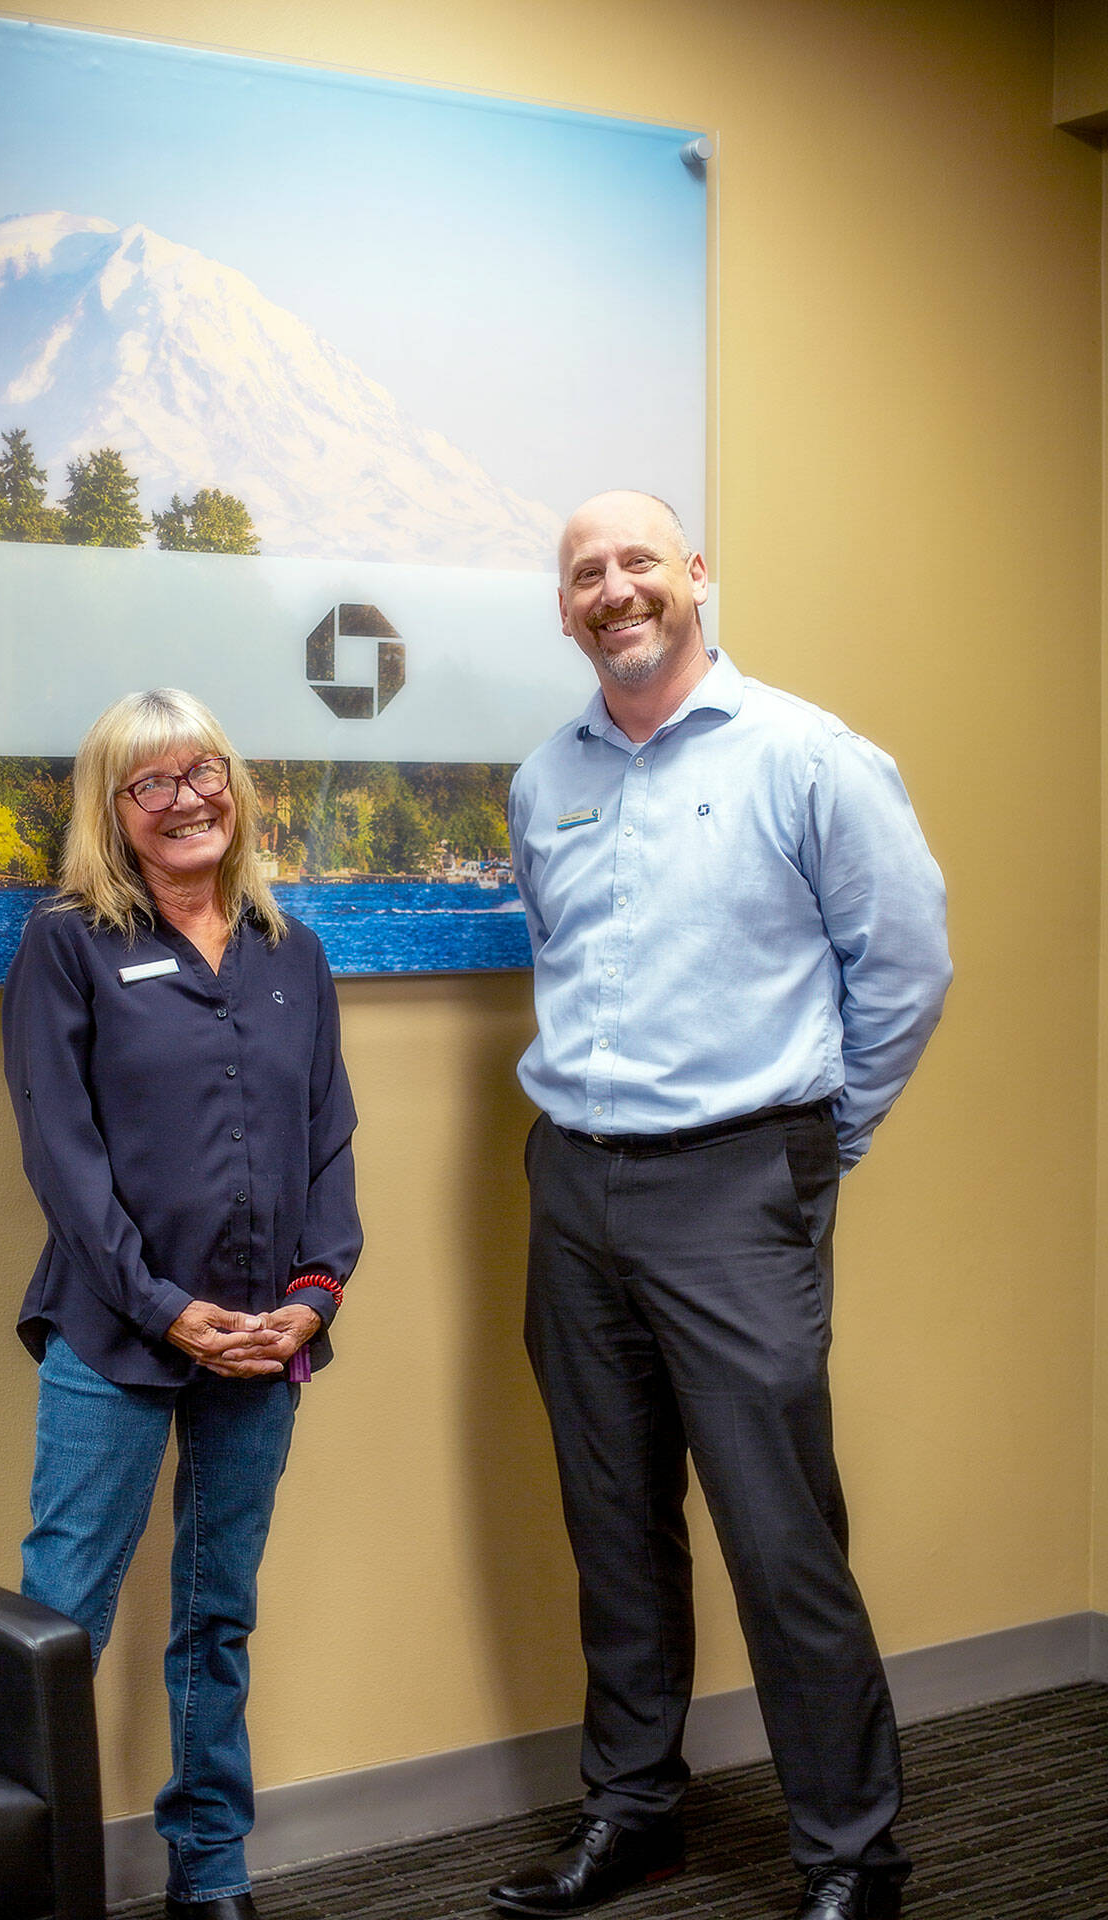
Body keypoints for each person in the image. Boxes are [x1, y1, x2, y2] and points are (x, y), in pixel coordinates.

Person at [489, 493, 950, 1920]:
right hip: (572, 1183)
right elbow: (565, 958)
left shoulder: (807, 757)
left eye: (640, 561)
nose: (615, 589)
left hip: (738, 1181)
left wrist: (814, 1145)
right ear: (564, 613)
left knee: (780, 1534)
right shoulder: (542, 778)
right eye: (586, 575)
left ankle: (852, 1857)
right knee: (612, 1521)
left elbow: (907, 969)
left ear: (697, 576)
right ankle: (636, 1816)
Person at [3, 688, 362, 1920]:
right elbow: (63, 1154)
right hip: (114, 1338)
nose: (184, 800)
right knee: (58, 1623)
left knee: (216, 1619)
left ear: (235, 785)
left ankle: (209, 1869)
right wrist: (161, 1307)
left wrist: (314, 1298)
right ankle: (33, 1883)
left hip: (263, 1349)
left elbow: (329, 1143)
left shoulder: (290, 951)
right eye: (148, 783)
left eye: (200, 771)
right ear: (113, 815)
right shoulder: (68, 944)